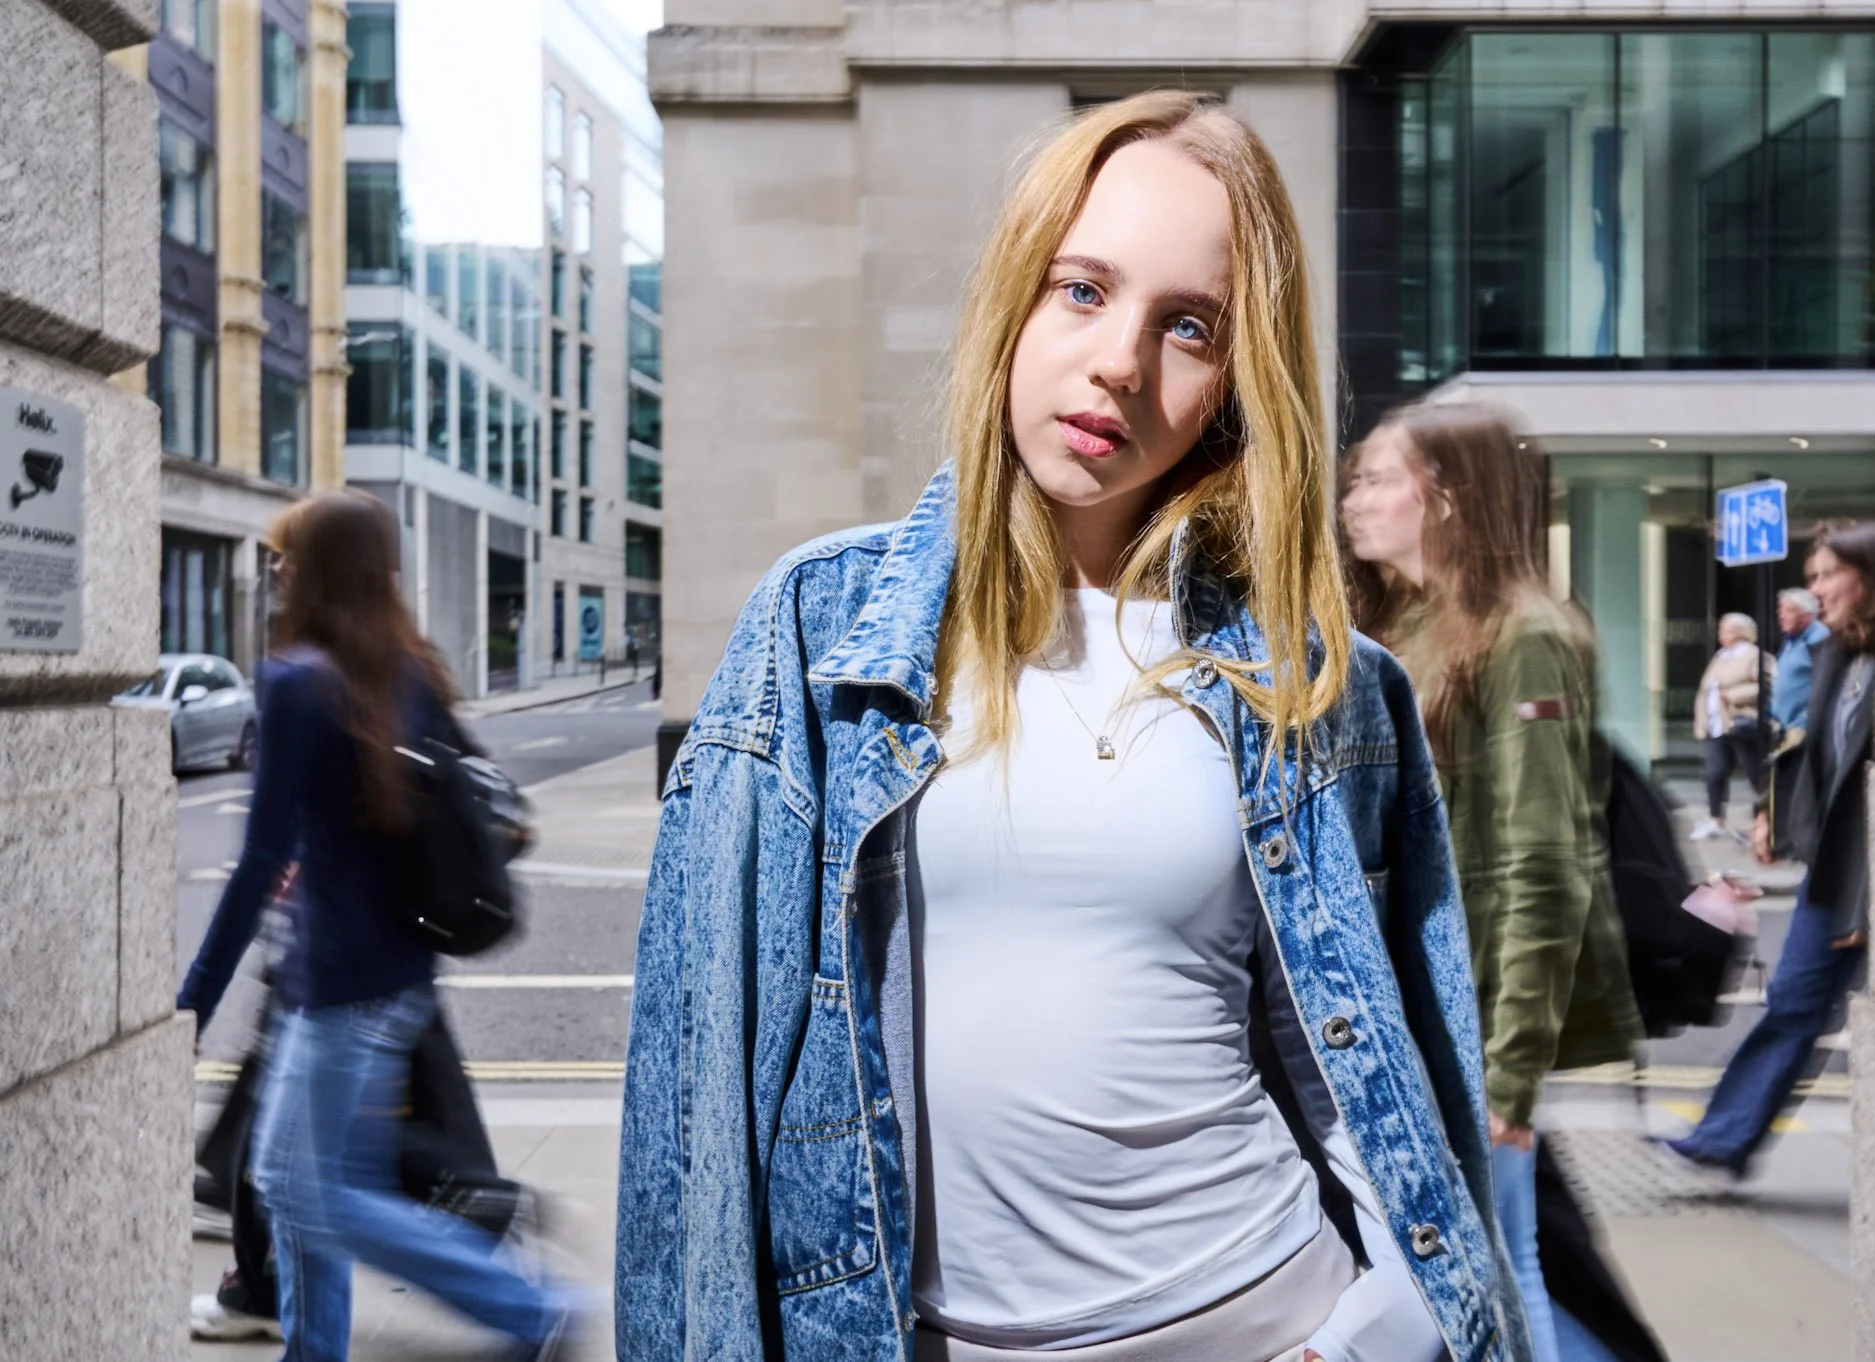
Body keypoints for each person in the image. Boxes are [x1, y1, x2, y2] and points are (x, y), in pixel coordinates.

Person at [618, 92, 1524, 1362]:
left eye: (1188, 325)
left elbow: (1366, 1062)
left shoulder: (1322, 677)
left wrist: (1379, 1333)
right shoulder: (817, 630)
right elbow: (692, 1109)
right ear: (1012, 303)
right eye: (1081, 289)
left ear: (1230, 384)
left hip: (1264, 1318)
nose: (1118, 362)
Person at [175, 491, 578, 1362]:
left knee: (321, 1194)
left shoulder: (296, 682)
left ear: (315, 568)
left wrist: (193, 1001)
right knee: (291, 1179)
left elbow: (257, 862)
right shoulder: (408, 667)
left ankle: (530, 1309)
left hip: (337, 989)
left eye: (285, 555)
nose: (276, 569)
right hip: (395, 977)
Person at [1339, 404, 1644, 1362]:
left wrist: (1508, 1078)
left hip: (1470, 1025)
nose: (1357, 500)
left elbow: (1546, 867)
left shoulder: (1525, 638)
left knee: (1504, 1265)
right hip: (1419, 1008)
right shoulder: (1405, 625)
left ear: (1450, 498)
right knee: (1476, 1265)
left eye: (1381, 479)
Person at [1663, 521, 1875, 1180]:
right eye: (1813, 574)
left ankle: (1727, 1138)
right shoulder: (1840, 655)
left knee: (1833, 1012)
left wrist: (1867, 904)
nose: (1816, 588)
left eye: (1830, 573)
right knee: (1795, 1003)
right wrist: (1774, 816)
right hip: (1837, 870)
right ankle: (1723, 1137)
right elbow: (1814, 755)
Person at [1691, 614, 1773, 842]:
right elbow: (1707, 689)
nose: (1720, 634)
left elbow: (1767, 685)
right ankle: (1715, 820)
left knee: (1757, 776)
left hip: (1743, 725)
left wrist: (1732, 695)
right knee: (1714, 774)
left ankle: (1767, 822)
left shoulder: (1754, 655)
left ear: (1738, 632)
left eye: (1724, 630)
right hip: (1718, 726)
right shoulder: (1720, 656)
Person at [1771, 588, 1828, 735]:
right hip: (1785, 727)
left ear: (1807, 614)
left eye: (1788, 611)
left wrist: (1806, 719)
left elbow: (1826, 683)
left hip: (1805, 727)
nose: (1781, 617)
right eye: (1780, 611)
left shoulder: (1818, 637)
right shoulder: (1790, 641)